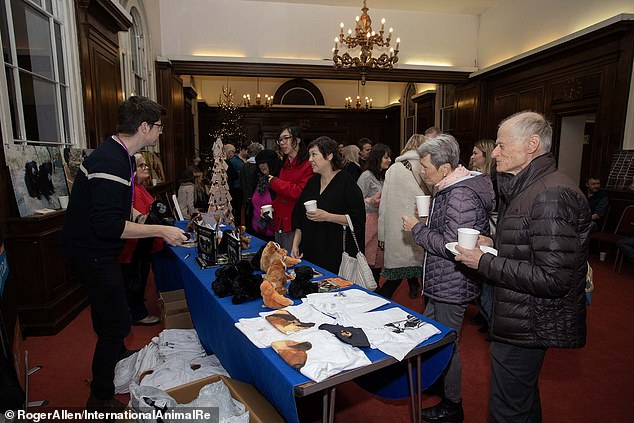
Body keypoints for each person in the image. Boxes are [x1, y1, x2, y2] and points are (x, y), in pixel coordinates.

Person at [455, 111, 591, 423]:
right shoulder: (528, 187)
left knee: (508, 410)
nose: (496, 153)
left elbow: (554, 278)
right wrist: (496, 247)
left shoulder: (551, 194)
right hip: (520, 314)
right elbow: (533, 251)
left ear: (531, 144)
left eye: (501, 145)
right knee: (520, 402)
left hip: (530, 321)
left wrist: (485, 262)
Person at [62, 96, 187, 411]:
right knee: (118, 321)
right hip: (91, 252)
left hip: (96, 250)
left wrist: (149, 221)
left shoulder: (120, 157)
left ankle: (115, 356)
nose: (160, 133)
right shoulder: (111, 160)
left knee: (108, 316)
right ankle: (100, 396)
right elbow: (109, 225)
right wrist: (160, 231)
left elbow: (121, 208)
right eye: (158, 127)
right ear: (144, 127)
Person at [402, 134, 494, 423]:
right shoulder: (450, 187)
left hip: (451, 283)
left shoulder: (460, 194)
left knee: (446, 344)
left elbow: (454, 246)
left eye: (426, 166)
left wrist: (417, 228)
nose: (422, 171)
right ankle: (441, 388)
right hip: (443, 281)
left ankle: (453, 406)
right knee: (432, 337)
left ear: (445, 168)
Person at [291, 136, 365, 274]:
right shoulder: (312, 183)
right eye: (309, 155)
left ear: (329, 156)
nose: (310, 160)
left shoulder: (346, 182)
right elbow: (299, 216)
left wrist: (328, 216)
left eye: (314, 155)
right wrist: (295, 245)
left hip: (334, 253)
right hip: (310, 250)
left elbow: (358, 218)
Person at [377, 134, 431, 300]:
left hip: (398, 229)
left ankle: (378, 300)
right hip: (422, 226)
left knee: (395, 275)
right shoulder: (427, 167)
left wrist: (382, 234)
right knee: (428, 277)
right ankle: (430, 312)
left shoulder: (394, 169)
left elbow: (384, 204)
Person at [118, 153, 162, 326]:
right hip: (133, 245)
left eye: (146, 165)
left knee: (139, 278)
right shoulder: (131, 191)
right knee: (135, 278)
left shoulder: (140, 187)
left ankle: (136, 307)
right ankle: (137, 313)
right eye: (141, 165)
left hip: (142, 243)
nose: (146, 168)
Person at [268, 123, 313, 252]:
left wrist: (275, 182)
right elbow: (283, 194)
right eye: (280, 139)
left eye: (286, 138)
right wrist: (272, 207)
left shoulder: (307, 164)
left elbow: (300, 192)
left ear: (297, 140)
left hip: (295, 224)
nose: (282, 143)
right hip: (280, 222)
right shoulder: (286, 163)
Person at [468, 138, 498, 332]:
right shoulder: (478, 177)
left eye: (475, 153)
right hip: (482, 230)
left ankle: (492, 322)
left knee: (488, 278)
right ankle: (484, 314)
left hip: (492, 233)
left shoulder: (495, 180)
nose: (472, 157)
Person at [357, 143, 392, 284]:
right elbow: (356, 202)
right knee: (368, 260)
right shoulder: (366, 176)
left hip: (381, 223)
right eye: (385, 157)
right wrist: (371, 201)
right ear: (377, 158)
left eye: (389, 157)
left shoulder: (385, 177)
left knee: (377, 261)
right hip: (368, 223)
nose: (389, 160)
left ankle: (376, 289)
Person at [251, 149, 282, 241]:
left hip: (274, 234)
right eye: (259, 163)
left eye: (264, 163)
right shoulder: (259, 180)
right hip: (257, 231)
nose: (261, 166)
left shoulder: (280, 181)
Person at [240, 142, 265, 234]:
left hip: (246, 200)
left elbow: (242, 184)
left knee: (248, 226)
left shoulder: (243, 166)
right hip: (258, 201)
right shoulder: (259, 167)